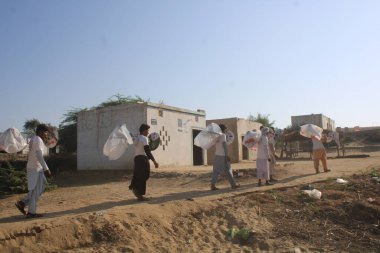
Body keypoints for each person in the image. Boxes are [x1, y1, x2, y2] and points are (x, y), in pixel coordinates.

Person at [15, 124, 52, 218]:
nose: (46, 134)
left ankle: (22, 203)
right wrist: (46, 169)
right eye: (45, 132)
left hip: (36, 168)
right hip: (34, 168)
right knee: (35, 190)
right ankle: (31, 212)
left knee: (40, 186)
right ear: (40, 131)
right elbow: (39, 156)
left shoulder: (35, 139)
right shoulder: (37, 140)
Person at [129, 123, 159, 201]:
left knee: (137, 174)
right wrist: (154, 161)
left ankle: (136, 190)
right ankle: (138, 193)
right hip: (142, 159)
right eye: (147, 130)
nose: (148, 132)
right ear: (144, 130)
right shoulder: (144, 138)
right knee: (145, 175)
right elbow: (147, 151)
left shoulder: (137, 137)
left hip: (136, 158)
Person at [210, 124, 239, 190]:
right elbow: (224, 146)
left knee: (216, 171)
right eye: (226, 129)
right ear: (223, 129)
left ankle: (213, 185)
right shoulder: (223, 135)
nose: (226, 130)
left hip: (217, 155)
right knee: (228, 170)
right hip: (223, 156)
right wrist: (226, 155)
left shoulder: (216, 136)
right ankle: (233, 185)